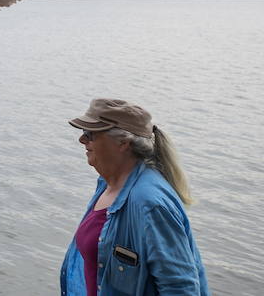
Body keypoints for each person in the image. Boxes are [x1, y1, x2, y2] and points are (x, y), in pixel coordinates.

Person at [60, 98, 209, 296]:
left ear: (123, 143)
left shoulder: (150, 203)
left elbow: (180, 287)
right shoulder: (107, 183)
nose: (82, 140)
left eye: (90, 134)